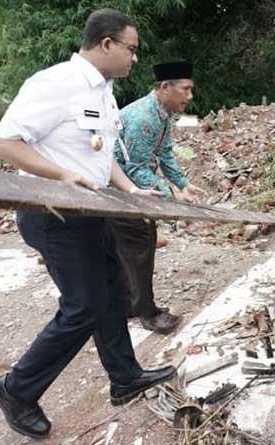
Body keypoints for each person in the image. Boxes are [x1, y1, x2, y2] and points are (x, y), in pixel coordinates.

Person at [0, 9, 176, 439]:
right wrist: (59, 175)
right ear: (106, 44)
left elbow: (99, 156)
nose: (134, 59)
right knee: (83, 306)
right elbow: (3, 142)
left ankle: (125, 378)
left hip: (91, 213)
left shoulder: (104, 93)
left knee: (113, 294)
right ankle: (15, 390)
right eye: (131, 49)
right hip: (53, 215)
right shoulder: (55, 85)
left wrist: (129, 189)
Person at [111, 61, 205, 335]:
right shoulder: (143, 118)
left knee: (132, 248)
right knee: (139, 246)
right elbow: (134, 168)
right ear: (165, 87)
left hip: (132, 186)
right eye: (185, 90)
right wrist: (170, 196)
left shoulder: (161, 114)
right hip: (119, 190)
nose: (189, 97)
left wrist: (182, 184)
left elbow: (164, 153)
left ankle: (130, 304)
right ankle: (147, 313)